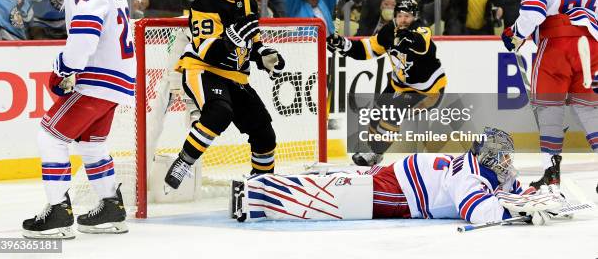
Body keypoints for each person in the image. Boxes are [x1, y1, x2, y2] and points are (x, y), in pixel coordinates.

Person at [22, 0, 135, 239]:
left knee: (50, 135)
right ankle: (111, 207)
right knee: (91, 143)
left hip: (98, 80)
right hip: (119, 80)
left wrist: (62, 67)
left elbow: (85, 35)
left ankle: (58, 211)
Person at [232, 127, 563, 225]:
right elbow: (479, 213)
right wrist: (518, 213)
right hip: (400, 192)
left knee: (338, 177)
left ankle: (259, 187)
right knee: (327, 194)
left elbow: (515, 189)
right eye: (504, 155)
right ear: (491, 157)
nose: (508, 161)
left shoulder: (487, 170)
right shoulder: (470, 177)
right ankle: (252, 197)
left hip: (400, 172)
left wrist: (540, 194)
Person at [163, 0, 286, 190]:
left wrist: (262, 54)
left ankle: (261, 184)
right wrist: (232, 37)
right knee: (219, 112)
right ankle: (184, 161)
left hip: (235, 76)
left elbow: (252, 37)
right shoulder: (203, 5)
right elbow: (210, 54)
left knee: (264, 132)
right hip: (203, 70)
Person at [501, 0, 598, 189]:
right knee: (590, 110)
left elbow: (533, 11)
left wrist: (516, 33)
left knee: (549, 109)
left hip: (557, 44)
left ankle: (551, 174)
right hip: (590, 44)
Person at [327, 0, 447, 166]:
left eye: (408, 16)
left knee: (391, 113)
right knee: (377, 110)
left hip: (427, 91)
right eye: (400, 15)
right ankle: (371, 149)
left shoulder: (421, 29)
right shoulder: (389, 31)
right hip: (399, 84)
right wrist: (343, 44)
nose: (403, 19)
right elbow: (367, 50)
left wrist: (409, 38)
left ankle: (376, 151)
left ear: (415, 17)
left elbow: (422, 44)